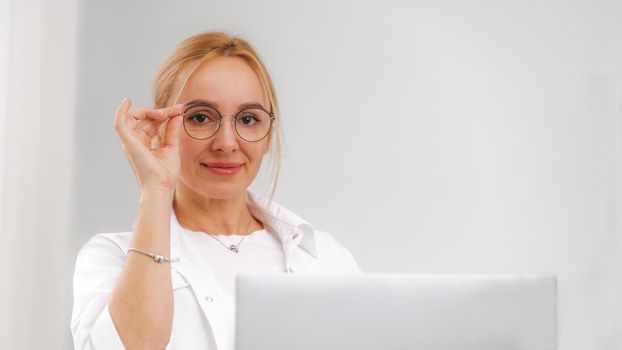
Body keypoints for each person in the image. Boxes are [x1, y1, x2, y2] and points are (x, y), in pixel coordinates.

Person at [70, 31, 360, 350]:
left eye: (248, 119)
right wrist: (156, 189)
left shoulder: (326, 259)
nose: (226, 143)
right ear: (162, 125)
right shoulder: (112, 259)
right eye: (200, 117)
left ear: (268, 136)